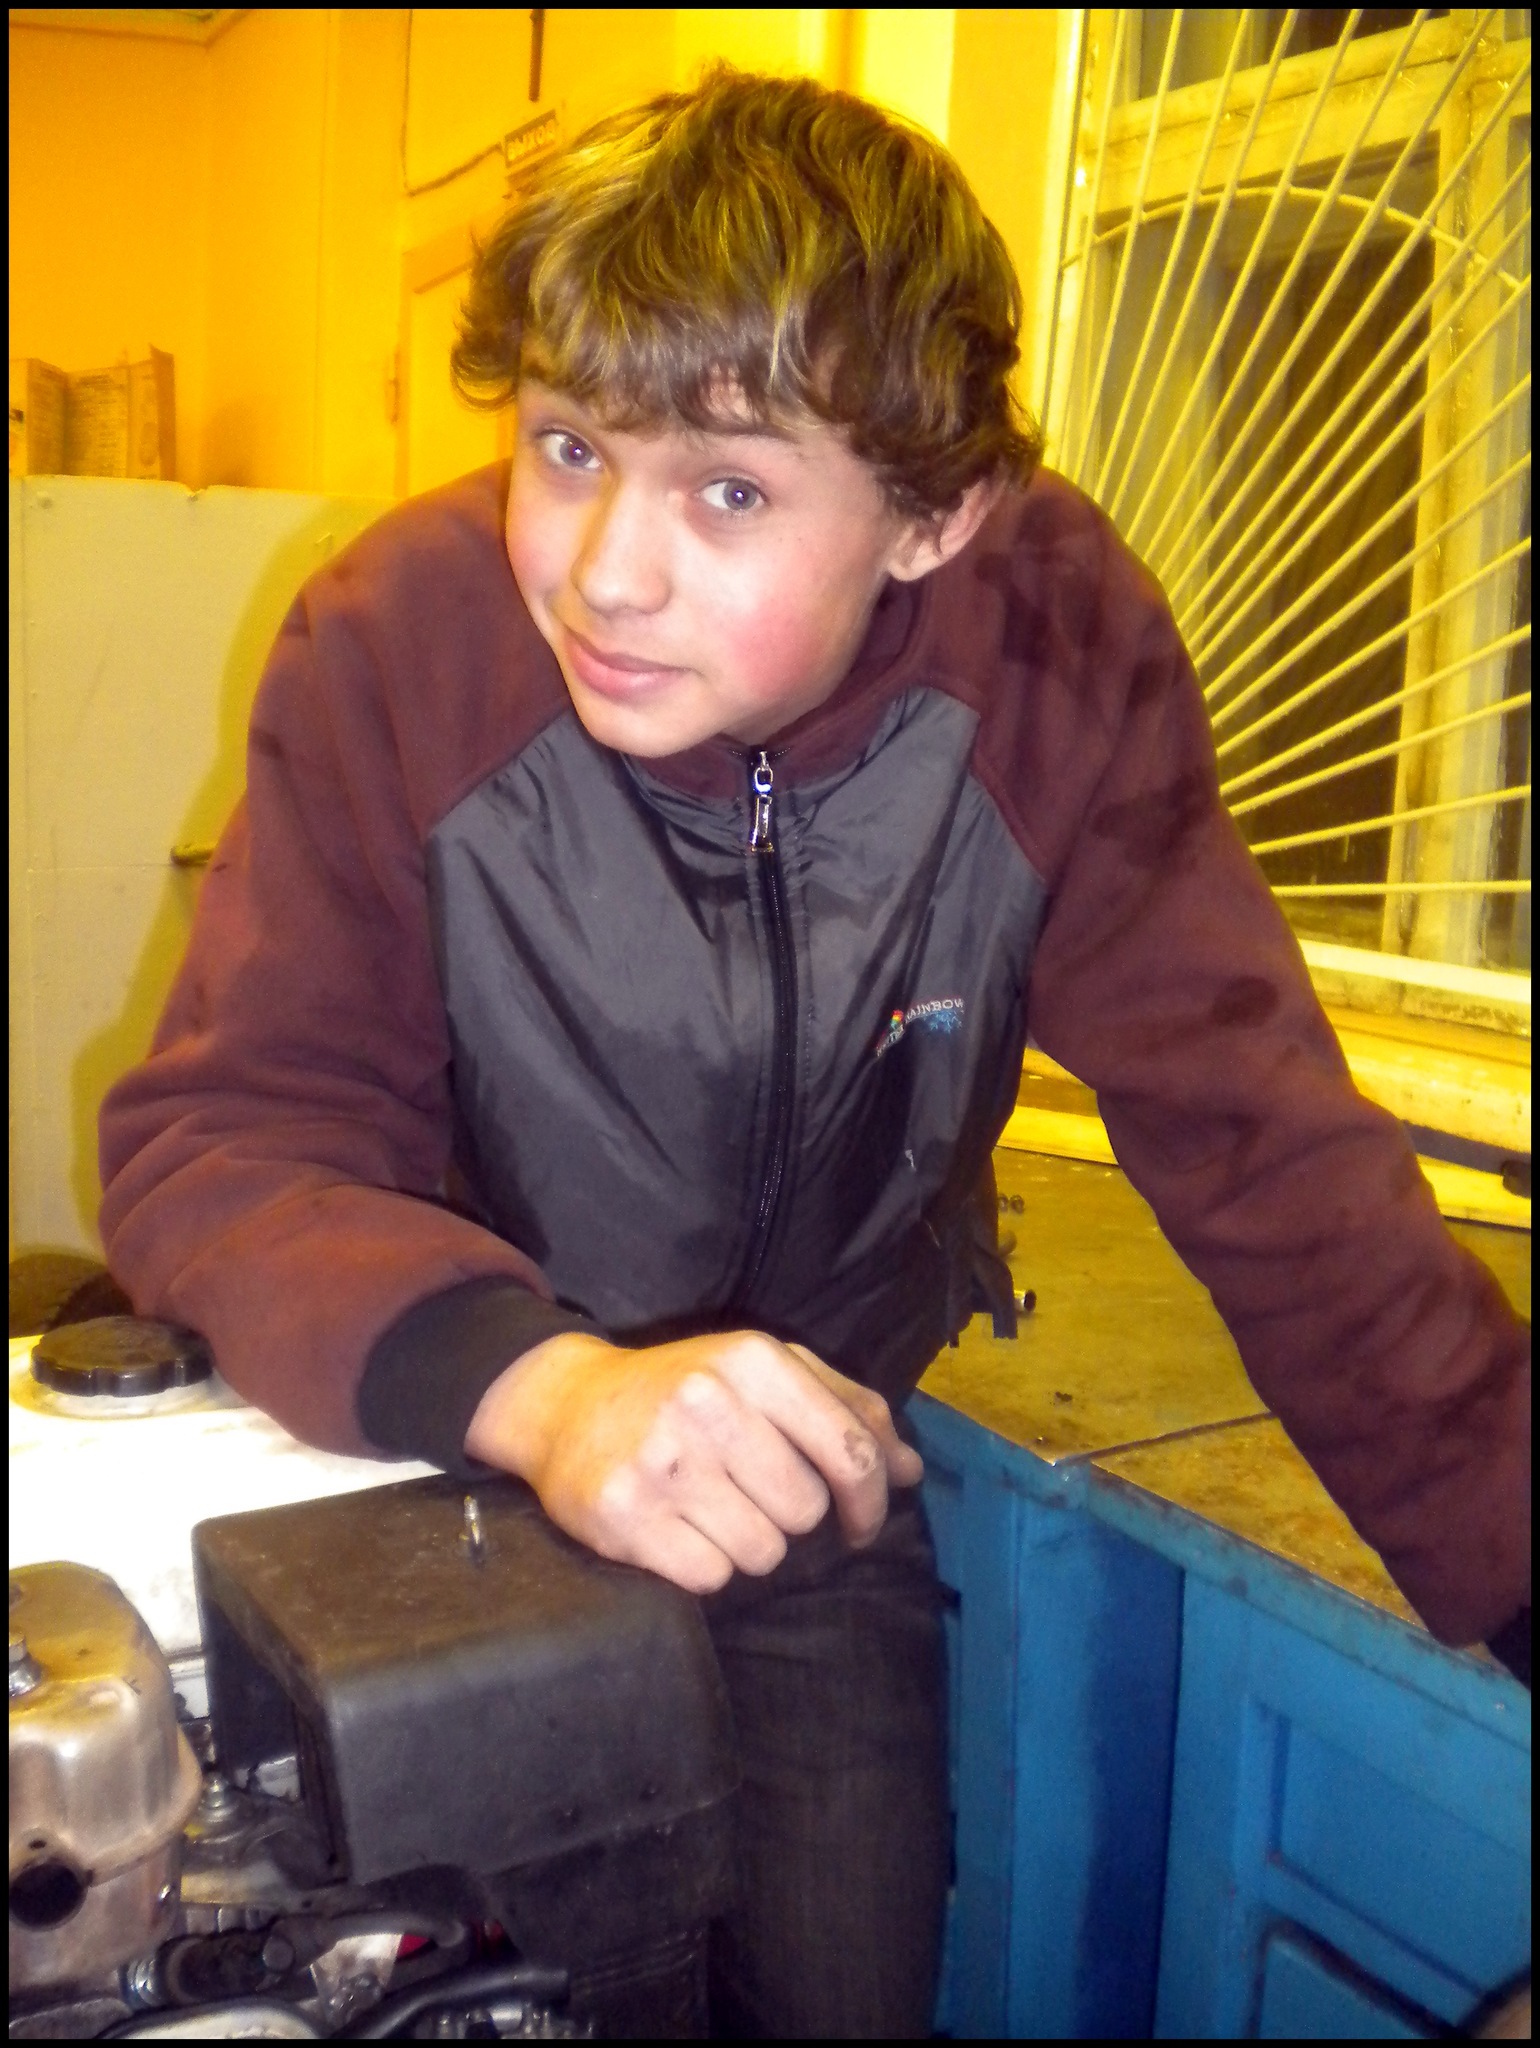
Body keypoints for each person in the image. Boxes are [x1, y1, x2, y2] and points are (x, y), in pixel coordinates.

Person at [98, 64, 1529, 2039]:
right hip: (439, 1471)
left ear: (934, 516)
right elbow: (224, 1140)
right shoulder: (400, 640)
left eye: (731, 491)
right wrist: (544, 1389)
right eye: (567, 446)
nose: (604, 570)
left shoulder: (1053, 653)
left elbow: (1261, 1138)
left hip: (807, 1490)